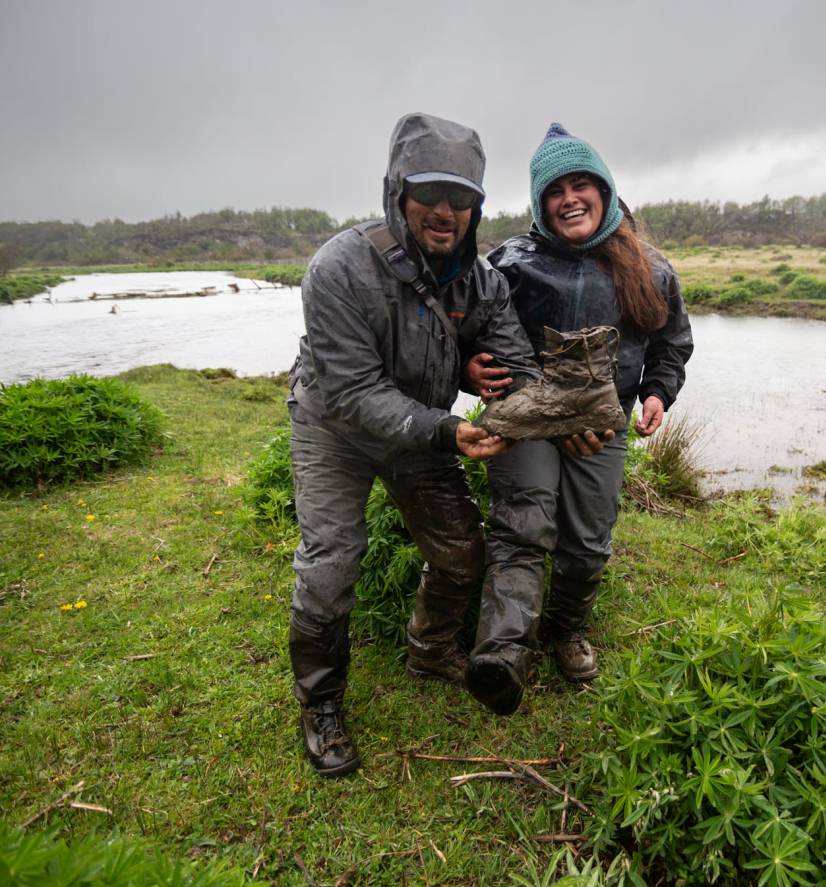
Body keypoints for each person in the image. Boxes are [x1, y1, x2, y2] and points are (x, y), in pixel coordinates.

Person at [286, 113, 539, 776]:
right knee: (332, 562)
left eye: (463, 199)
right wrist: (450, 427)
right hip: (334, 429)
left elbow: (515, 358)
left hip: (422, 428)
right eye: (431, 193)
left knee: (460, 552)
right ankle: (322, 703)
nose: (445, 212)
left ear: (477, 208)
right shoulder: (338, 268)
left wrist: (512, 393)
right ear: (398, 190)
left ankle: (430, 650)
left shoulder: (480, 280)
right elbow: (352, 392)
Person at [464, 123, 693, 716]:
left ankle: (565, 630)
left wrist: (657, 394)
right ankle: (503, 650)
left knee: (589, 539)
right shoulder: (510, 262)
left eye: (581, 184)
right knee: (522, 523)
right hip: (527, 415)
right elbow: (472, 329)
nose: (569, 198)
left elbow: (671, 343)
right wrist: (469, 369)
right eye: (555, 190)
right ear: (540, 204)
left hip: (602, 426)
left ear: (605, 190)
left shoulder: (651, 267)